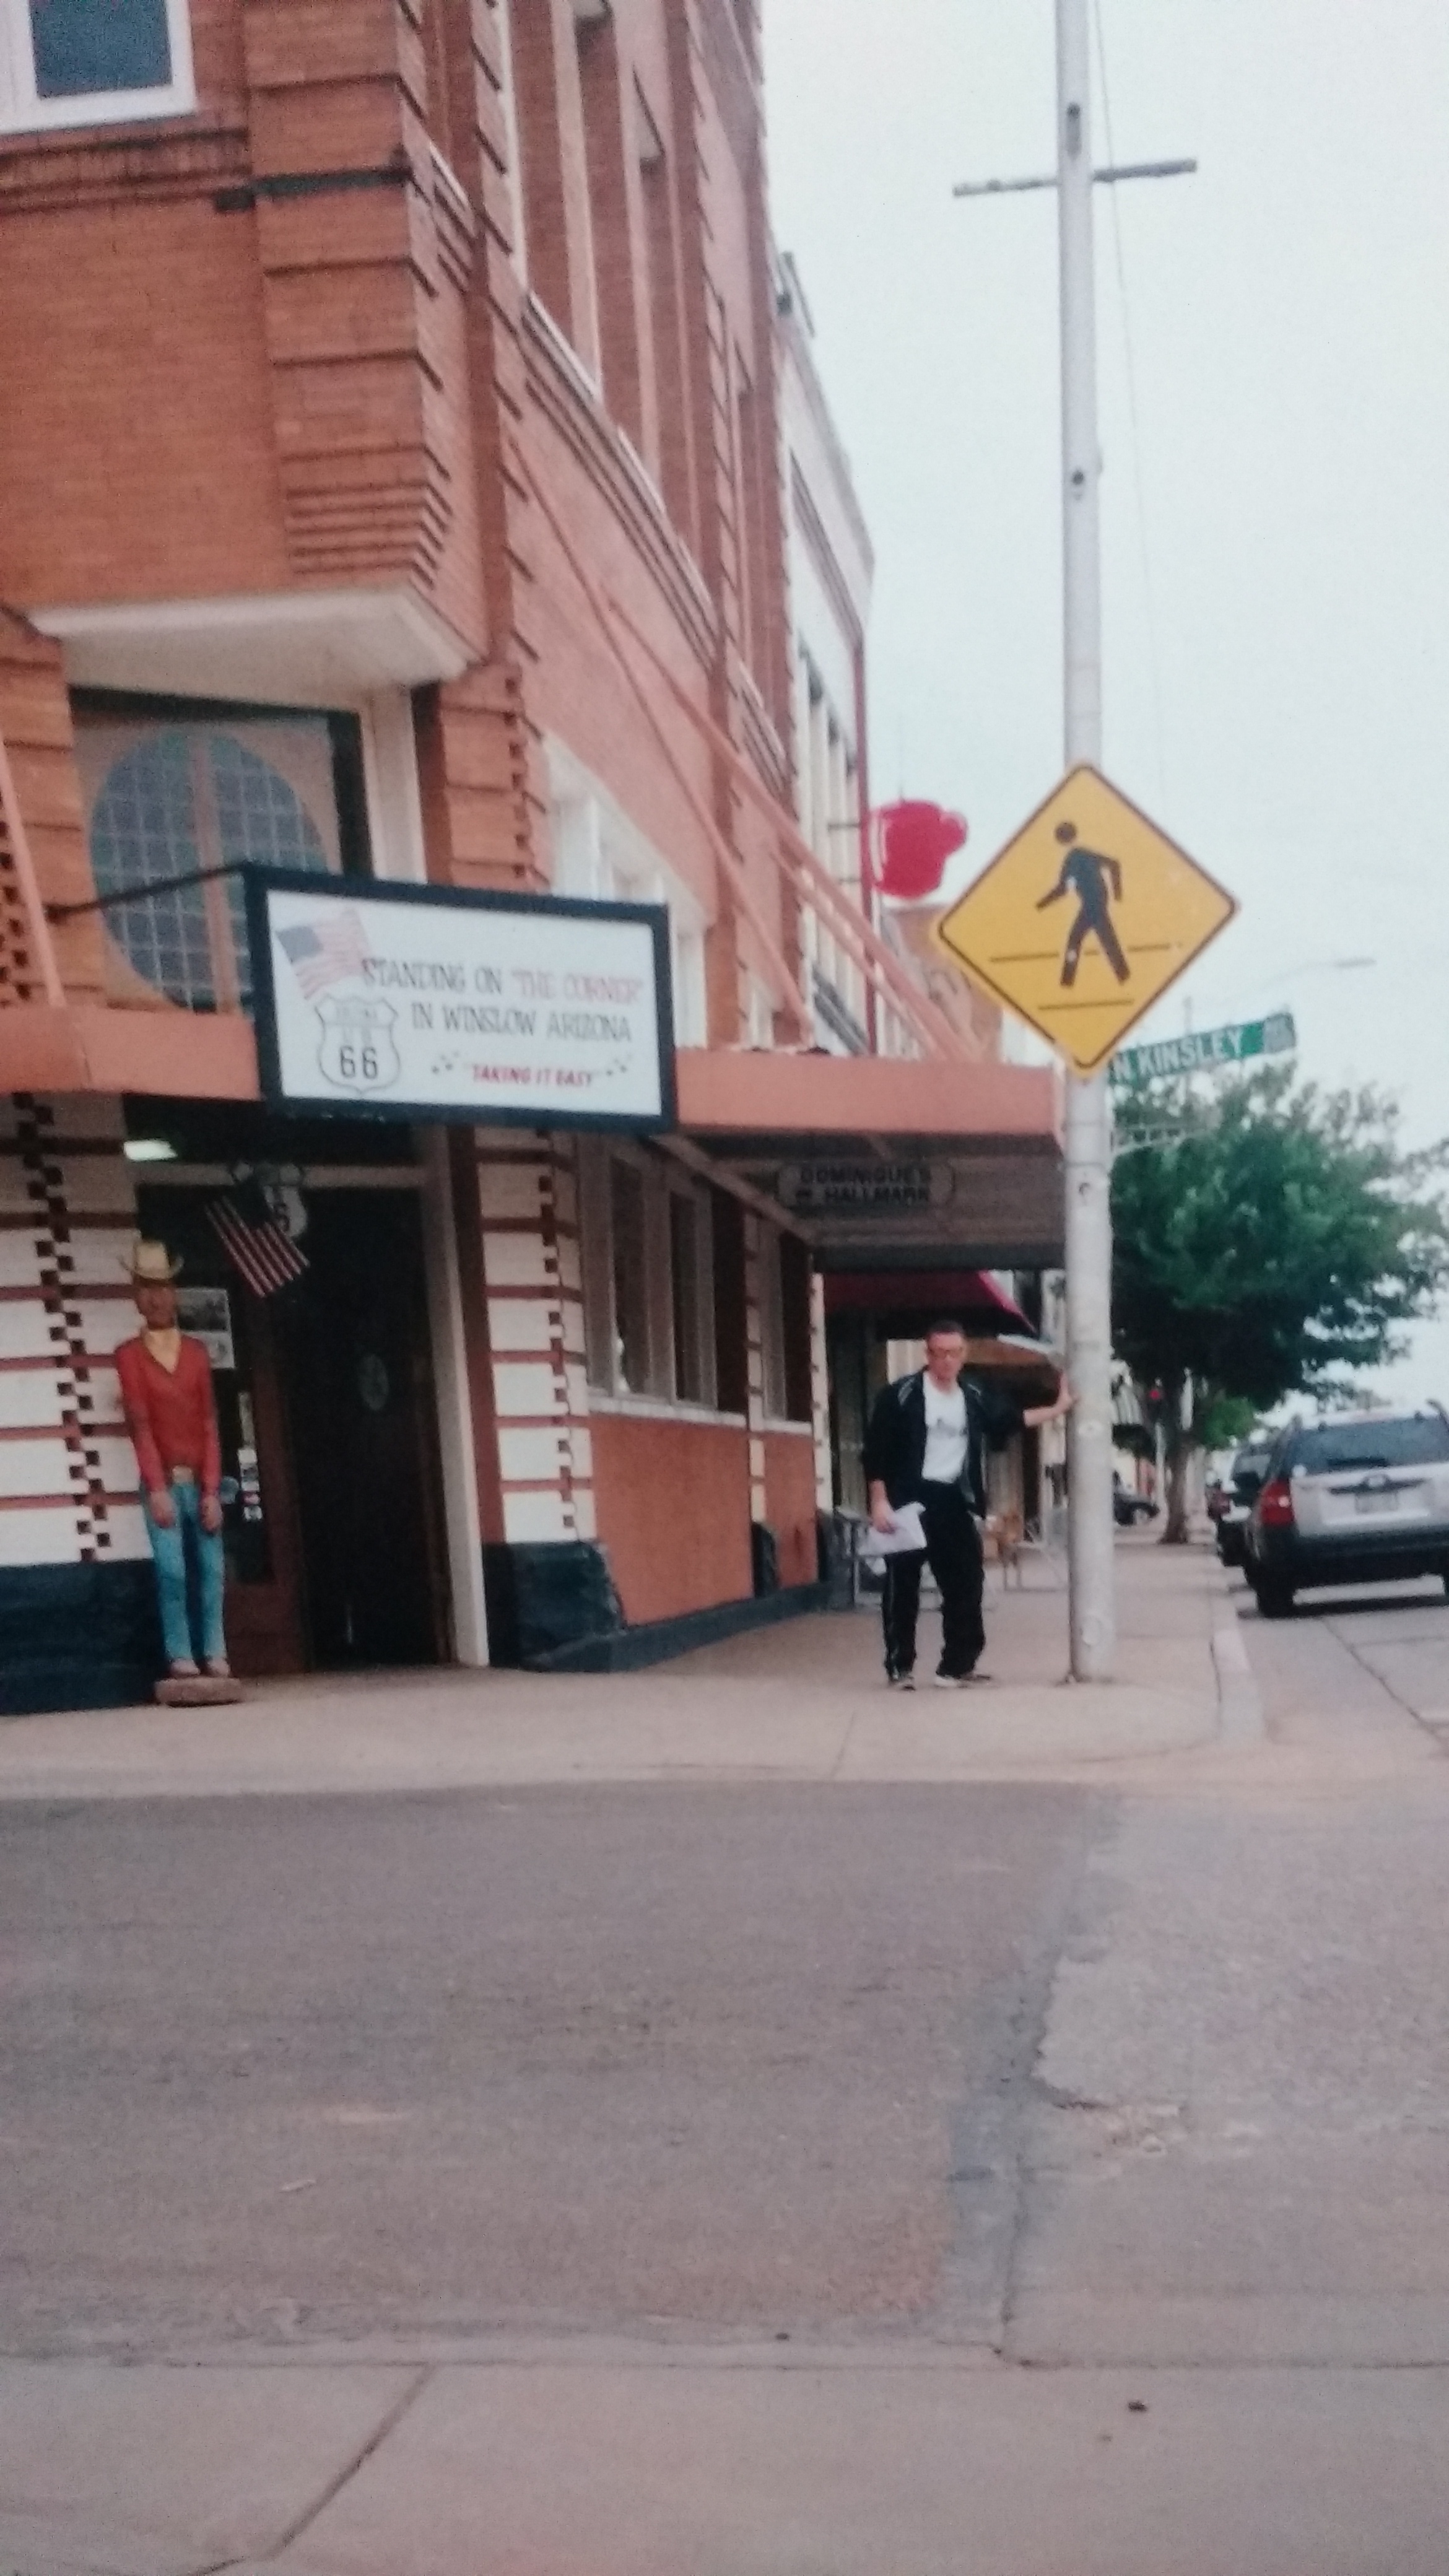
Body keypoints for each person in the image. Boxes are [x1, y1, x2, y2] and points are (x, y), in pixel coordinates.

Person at [863, 1320, 1073, 1690]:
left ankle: (956, 1667)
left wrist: (1058, 1409)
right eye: (939, 1353)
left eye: (954, 1353)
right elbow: (876, 1453)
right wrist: (880, 1502)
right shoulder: (901, 1395)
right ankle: (900, 1667)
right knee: (902, 1586)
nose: (947, 1361)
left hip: (955, 1498)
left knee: (966, 1583)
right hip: (908, 1500)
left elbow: (1010, 1420)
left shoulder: (974, 1394)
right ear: (927, 1354)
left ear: (964, 1355)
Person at [114, 1240, 231, 1683]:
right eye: (146, 1287)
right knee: (172, 1571)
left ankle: (215, 1649)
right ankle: (180, 1653)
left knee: (213, 1569)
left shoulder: (197, 1354)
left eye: (162, 1287)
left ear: (174, 1292)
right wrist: (157, 1487)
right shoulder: (129, 1356)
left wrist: (212, 1488)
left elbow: (209, 1424)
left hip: (200, 1480)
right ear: (136, 1295)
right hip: (162, 1482)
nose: (156, 1297)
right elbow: (140, 1424)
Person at [1036, 819, 1128, 986]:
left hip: (1093, 904)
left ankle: (1067, 981)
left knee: (1076, 940)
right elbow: (1114, 865)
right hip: (1097, 902)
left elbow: (1062, 889)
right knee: (1106, 939)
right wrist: (1116, 894)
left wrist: (1040, 905)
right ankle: (1123, 975)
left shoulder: (1074, 858)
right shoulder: (1083, 854)